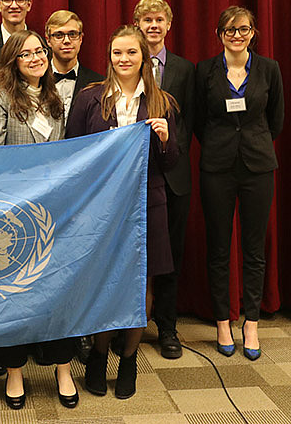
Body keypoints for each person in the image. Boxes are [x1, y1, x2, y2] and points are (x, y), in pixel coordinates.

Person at [65, 25, 179, 399]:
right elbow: (73, 153)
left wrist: (164, 139)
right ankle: (99, 356)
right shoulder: (89, 99)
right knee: (104, 282)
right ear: (109, 57)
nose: (124, 59)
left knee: (141, 285)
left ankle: (128, 360)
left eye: (131, 53)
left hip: (149, 203)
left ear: (143, 57)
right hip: (102, 207)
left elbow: (171, 161)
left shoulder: (162, 102)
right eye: (117, 53)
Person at [0, 31, 77, 410]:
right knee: (12, 295)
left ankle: (63, 369)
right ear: (12, 61)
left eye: (39, 51)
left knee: (57, 292)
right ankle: (15, 371)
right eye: (26, 53)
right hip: (12, 215)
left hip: (52, 213)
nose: (36, 57)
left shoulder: (55, 98)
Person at [194, 6, 283, 362]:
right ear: (219, 35)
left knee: (254, 250)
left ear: (253, 33)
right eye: (230, 30)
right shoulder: (205, 71)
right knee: (218, 248)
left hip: (258, 166)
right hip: (217, 167)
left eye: (243, 29)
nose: (236, 35)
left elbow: (275, 119)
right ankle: (222, 322)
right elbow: (199, 121)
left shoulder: (269, 69)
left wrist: (252, 144)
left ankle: (251, 323)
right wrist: (221, 146)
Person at [133, 0, 195, 359]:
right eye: (146, 19)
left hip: (173, 178)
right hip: (133, 177)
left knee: (170, 257)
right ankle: (128, 322)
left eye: (159, 20)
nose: (153, 25)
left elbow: (190, 123)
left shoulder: (186, 70)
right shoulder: (126, 64)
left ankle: (167, 328)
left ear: (168, 25)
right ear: (137, 24)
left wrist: (169, 151)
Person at [44, 9, 103, 117]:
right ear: (48, 40)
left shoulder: (99, 84)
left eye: (72, 34)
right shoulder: (35, 80)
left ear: (80, 39)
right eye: (59, 35)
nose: (67, 40)